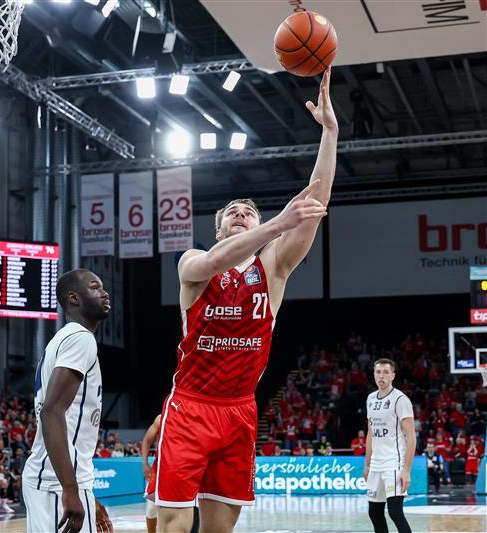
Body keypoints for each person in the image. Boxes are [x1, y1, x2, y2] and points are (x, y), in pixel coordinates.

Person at [151, 69, 338, 533]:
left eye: (248, 211)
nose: (240, 213)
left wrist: (331, 133)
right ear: (219, 229)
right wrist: (274, 223)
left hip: (240, 408)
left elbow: (314, 201)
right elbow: (211, 263)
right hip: (190, 406)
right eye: (232, 212)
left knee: (220, 529)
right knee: (173, 525)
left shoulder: (272, 269)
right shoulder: (195, 261)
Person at [23, 269, 113, 533]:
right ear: (74, 298)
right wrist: (71, 491)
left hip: (55, 480)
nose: (104, 292)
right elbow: (51, 412)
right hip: (55, 484)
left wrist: (85, 493)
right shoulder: (79, 338)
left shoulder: (63, 339)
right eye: (95, 287)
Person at [365, 358, 415, 533]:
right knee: (374, 513)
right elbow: (371, 433)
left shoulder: (400, 399)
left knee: (395, 512)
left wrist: (406, 470)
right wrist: (367, 464)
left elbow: (411, 436)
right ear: (374, 374)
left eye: (386, 372)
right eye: (378, 372)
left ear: (393, 375)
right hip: (376, 465)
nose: (381, 376)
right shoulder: (370, 398)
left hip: (394, 463)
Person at [141, 415, 161, 533]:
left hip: (183, 469)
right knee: (151, 509)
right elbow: (147, 441)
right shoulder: (161, 418)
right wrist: (144, 463)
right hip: (160, 469)